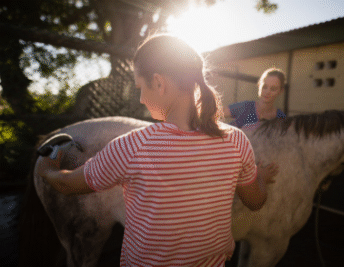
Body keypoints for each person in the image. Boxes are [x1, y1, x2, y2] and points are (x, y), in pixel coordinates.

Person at [37, 34, 276, 267]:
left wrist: (47, 165)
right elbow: (256, 201)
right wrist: (258, 177)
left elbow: (67, 185)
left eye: (140, 87)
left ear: (159, 83)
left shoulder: (131, 146)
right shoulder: (237, 141)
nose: (141, 98)